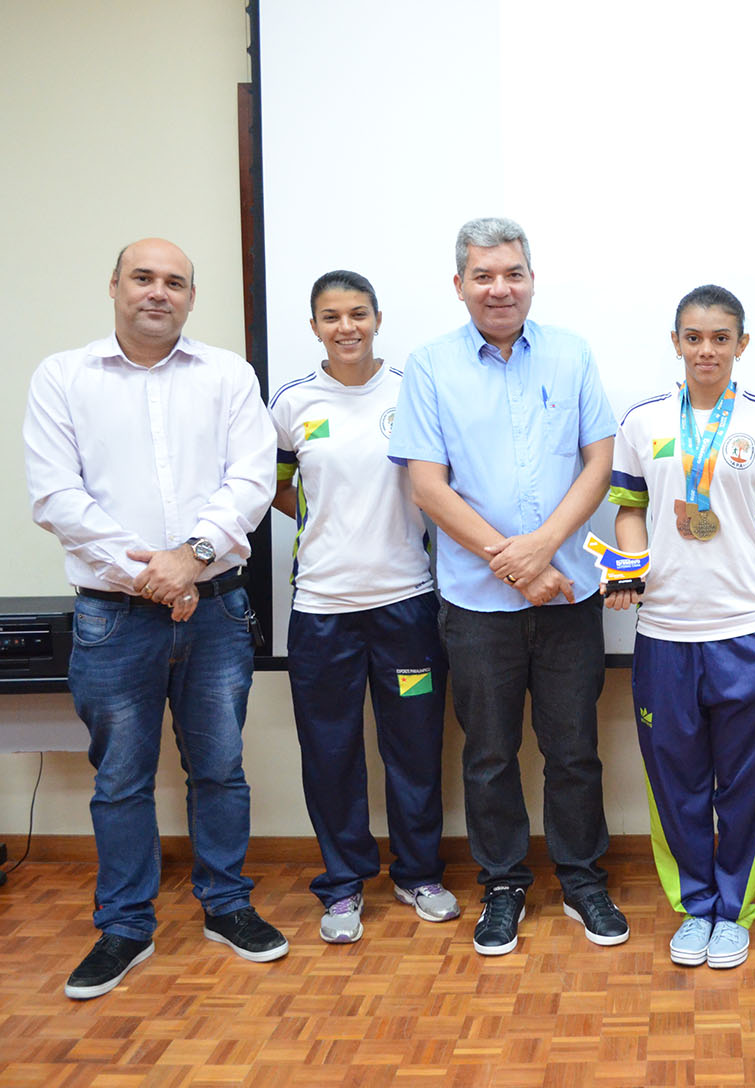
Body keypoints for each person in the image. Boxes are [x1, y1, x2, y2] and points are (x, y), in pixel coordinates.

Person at [23, 238, 287, 1000]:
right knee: (121, 779)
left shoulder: (228, 376)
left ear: (191, 297)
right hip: (113, 616)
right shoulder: (63, 378)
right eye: (143, 277)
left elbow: (249, 479)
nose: (158, 292)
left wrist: (191, 556)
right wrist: (151, 574)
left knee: (220, 769)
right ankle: (126, 928)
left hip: (216, 610)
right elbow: (57, 497)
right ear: (114, 286)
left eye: (175, 282)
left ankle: (227, 907)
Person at [387, 217, 627, 955]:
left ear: (531, 278)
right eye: (484, 275)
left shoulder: (572, 353)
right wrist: (511, 560)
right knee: (488, 754)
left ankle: (584, 880)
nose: (501, 288)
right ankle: (501, 885)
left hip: (568, 596)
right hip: (475, 604)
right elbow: (426, 484)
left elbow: (599, 463)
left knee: (574, 749)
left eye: (513, 273)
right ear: (459, 284)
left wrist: (545, 551)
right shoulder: (429, 367)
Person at [605, 285, 755, 969]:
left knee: (745, 783)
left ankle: (735, 909)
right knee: (676, 781)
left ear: (741, 344)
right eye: (693, 337)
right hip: (664, 632)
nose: (706, 350)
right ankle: (695, 907)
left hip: (747, 632)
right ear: (676, 342)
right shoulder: (642, 421)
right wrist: (629, 569)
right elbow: (629, 509)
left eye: (721, 337)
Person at [269, 270, 455, 944]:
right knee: (330, 752)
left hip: (406, 605)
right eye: (330, 316)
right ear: (313, 325)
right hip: (321, 610)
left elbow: (442, 486)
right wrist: (332, 523)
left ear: (378, 318)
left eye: (357, 314)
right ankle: (343, 887)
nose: (345, 327)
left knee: (413, 748)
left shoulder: (412, 392)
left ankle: (418, 874)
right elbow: (278, 487)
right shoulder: (291, 404)